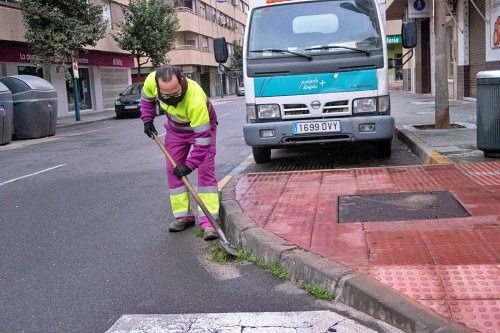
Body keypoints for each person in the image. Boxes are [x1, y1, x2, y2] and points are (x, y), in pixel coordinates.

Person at [140, 65, 219, 241]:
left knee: (205, 172)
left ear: (182, 82)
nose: (172, 99)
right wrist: (147, 119)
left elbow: (203, 141)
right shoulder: (151, 82)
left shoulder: (195, 98)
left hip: (202, 131)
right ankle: (183, 216)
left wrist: (189, 165)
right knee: (173, 170)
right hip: (176, 131)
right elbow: (146, 100)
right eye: (166, 96)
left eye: (176, 94)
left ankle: (209, 222)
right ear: (159, 88)